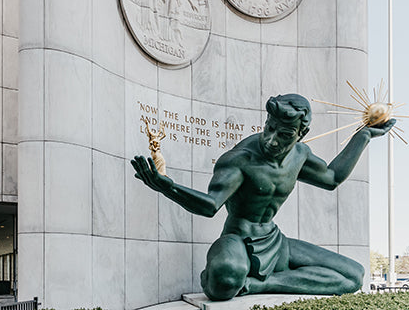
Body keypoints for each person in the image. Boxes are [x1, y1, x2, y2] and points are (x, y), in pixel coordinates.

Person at [131, 94, 395, 300]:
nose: (271, 140)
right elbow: (211, 205)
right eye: (270, 128)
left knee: (352, 277)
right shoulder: (240, 159)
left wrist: (363, 137)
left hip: (275, 241)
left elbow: (332, 178)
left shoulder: (300, 156)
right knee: (223, 283)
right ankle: (231, 272)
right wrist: (168, 187)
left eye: (284, 135)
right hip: (237, 240)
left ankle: (262, 284)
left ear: (301, 135)